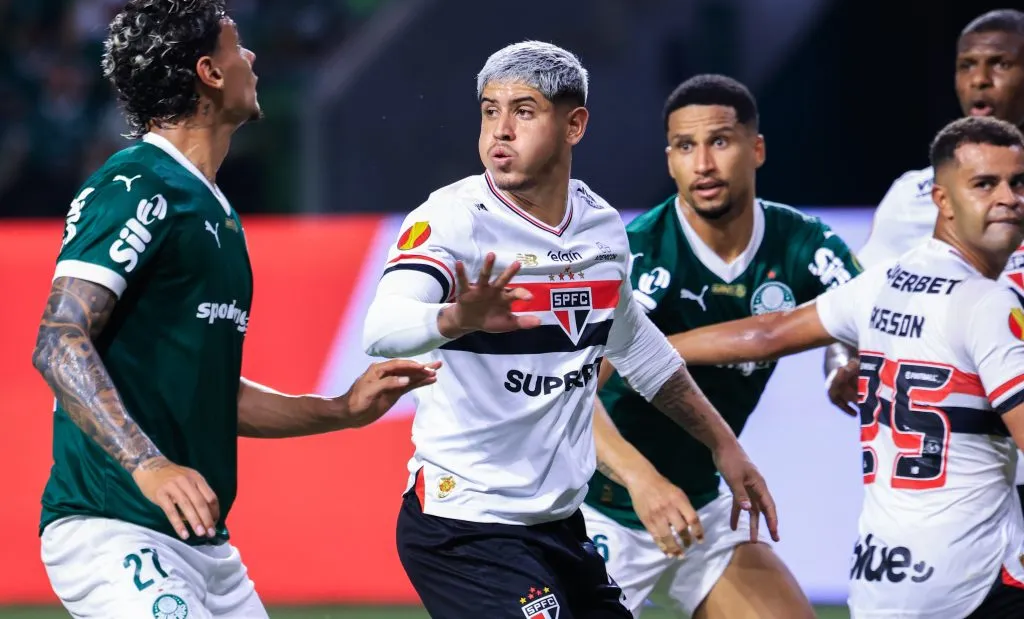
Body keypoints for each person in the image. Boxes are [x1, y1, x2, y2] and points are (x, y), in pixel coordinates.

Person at [31, 0, 439, 619]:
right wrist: (149, 466)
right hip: (114, 526)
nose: (252, 60)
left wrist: (340, 409)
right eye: (239, 47)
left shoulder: (213, 209)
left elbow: (211, 395)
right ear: (209, 72)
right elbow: (57, 340)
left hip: (204, 546)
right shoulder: (138, 184)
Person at [362, 41, 778, 619]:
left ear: (574, 124)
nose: (499, 131)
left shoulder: (601, 230)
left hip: (558, 526)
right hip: (465, 527)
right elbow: (380, 328)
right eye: (489, 111)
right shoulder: (452, 220)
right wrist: (456, 318)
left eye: (523, 111)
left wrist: (723, 446)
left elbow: (641, 351)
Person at [661, 116, 1024, 618]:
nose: (1009, 197)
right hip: (973, 577)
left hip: (883, 579)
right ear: (942, 201)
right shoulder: (989, 304)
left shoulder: (887, 282)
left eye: (1017, 182)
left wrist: (651, 349)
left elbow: (770, 333)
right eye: (985, 184)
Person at [582, 74, 857, 618]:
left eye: (720, 142)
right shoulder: (635, 255)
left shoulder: (803, 243)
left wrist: (841, 364)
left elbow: (857, 320)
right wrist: (644, 480)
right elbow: (570, 398)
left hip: (702, 504)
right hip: (599, 508)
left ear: (756, 149)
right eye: (685, 147)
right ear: (669, 160)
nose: (703, 164)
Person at [850, 9, 1024, 507]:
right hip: (954, 468)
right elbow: (855, 303)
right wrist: (843, 363)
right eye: (967, 65)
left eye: (1000, 65)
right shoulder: (912, 195)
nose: (980, 80)